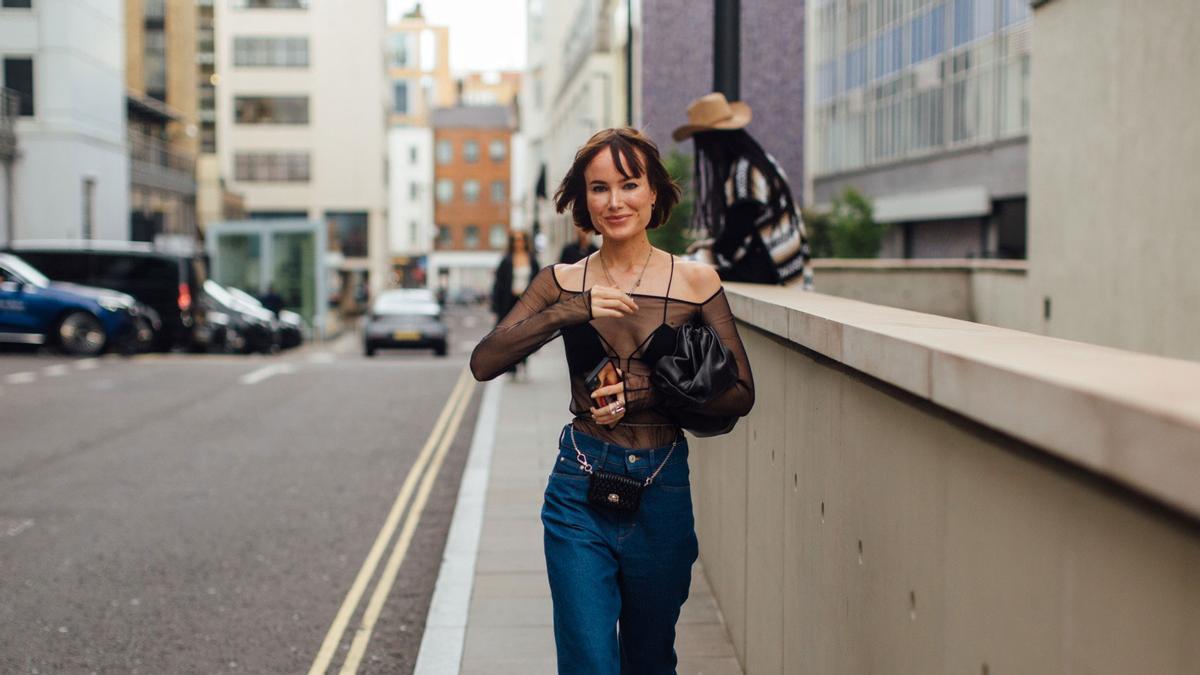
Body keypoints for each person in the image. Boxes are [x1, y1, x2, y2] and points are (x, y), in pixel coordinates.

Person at [470, 128, 754, 674]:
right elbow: (485, 362)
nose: (615, 201)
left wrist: (651, 390)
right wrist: (570, 310)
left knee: (649, 662)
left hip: (662, 486)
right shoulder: (561, 280)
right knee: (589, 665)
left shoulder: (695, 282)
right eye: (599, 188)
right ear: (584, 202)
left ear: (653, 194)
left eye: (629, 185)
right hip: (580, 483)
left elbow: (741, 393)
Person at [673, 92, 813, 289]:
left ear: (714, 141)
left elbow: (736, 234)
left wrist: (700, 255)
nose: (703, 151)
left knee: (686, 270)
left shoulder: (745, 174)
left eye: (702, 143)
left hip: (770, 270)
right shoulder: (759, 162)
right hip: (780, 265)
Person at [490, 229, 540, 376]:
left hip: (526, 303)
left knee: (525, 334)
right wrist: (496, 307)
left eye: (521, 239)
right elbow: (498, 285)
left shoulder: (532, 260)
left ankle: (523, 361)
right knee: (509, 336)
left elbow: (539, 282)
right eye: (516, 240)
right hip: (509, 302)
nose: (518, 243)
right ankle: (511, 365)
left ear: (525, 242)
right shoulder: (506, 261)